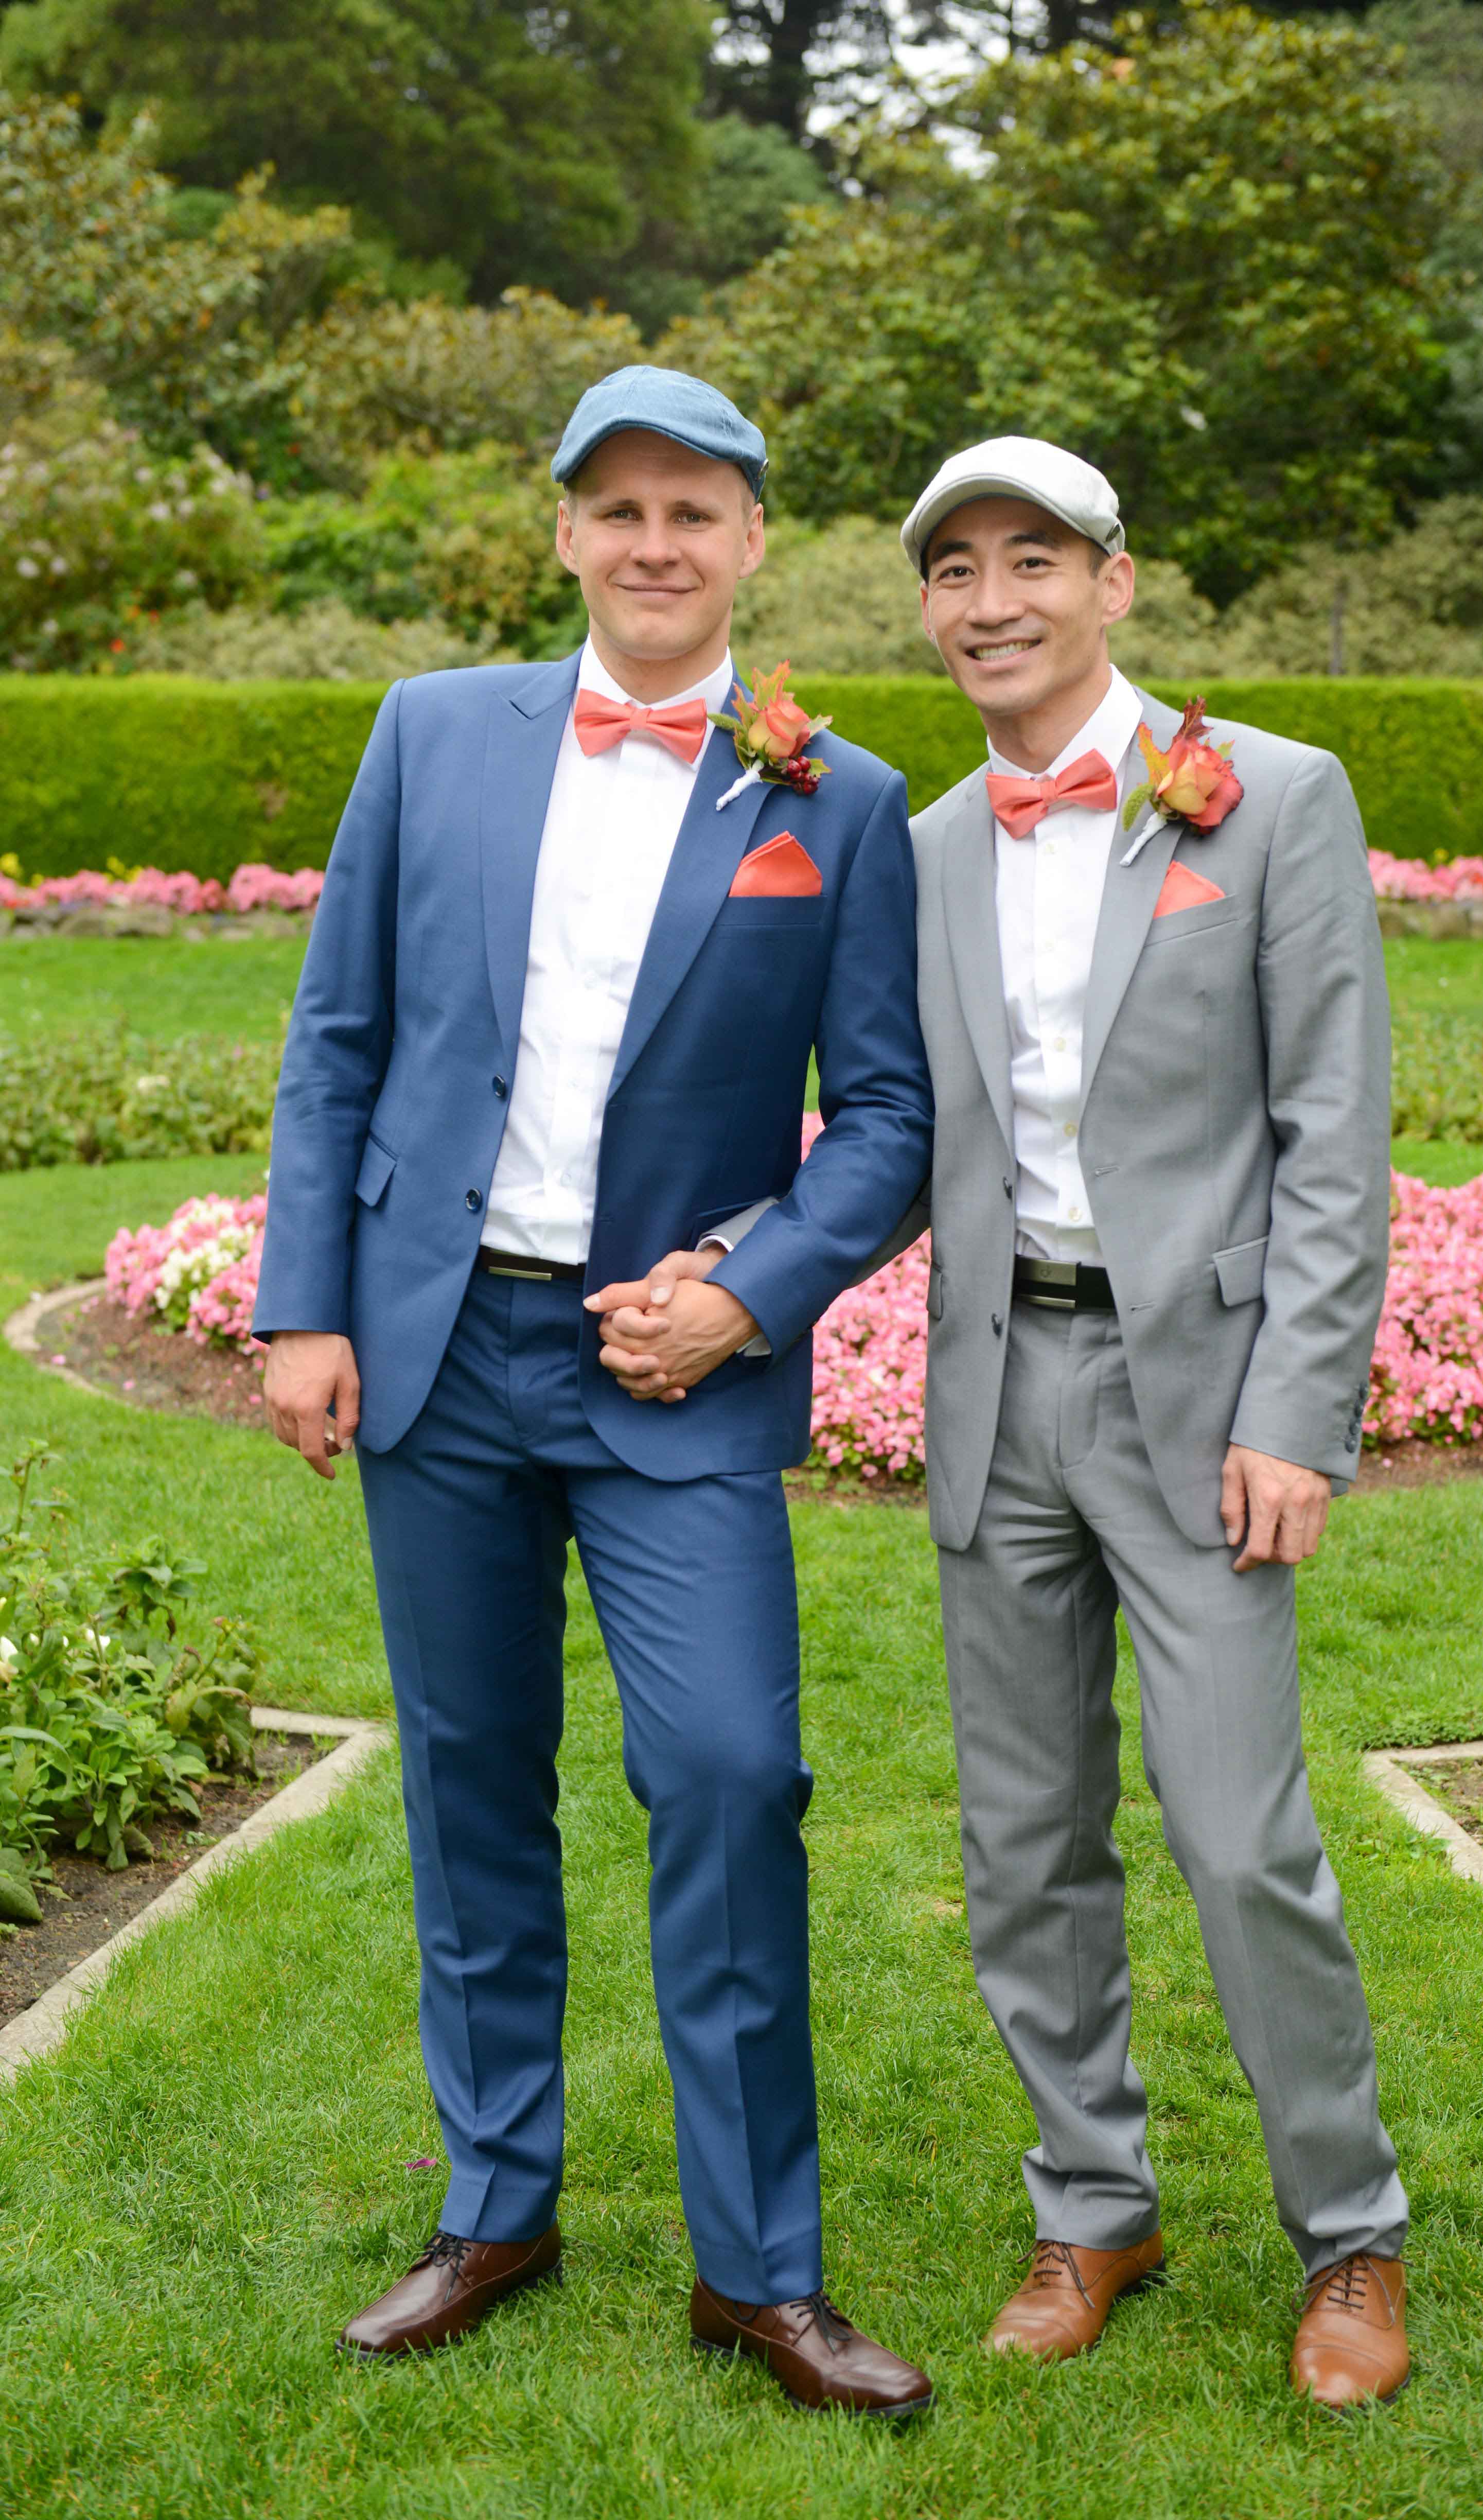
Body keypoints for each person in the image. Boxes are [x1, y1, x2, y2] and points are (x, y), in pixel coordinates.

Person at [595, 436, 1409, 2410]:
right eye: (952, 569)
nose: (988, 601)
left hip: (1205, 1400)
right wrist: (727, 1256)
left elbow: (1333, 1136)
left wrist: (1298, 1412)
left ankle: (1351, 2237)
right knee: (1023, 1838)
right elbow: (884, 1129)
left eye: (1030, 560)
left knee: (1236, 1837)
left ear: (1115, 584)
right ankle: (1092, 2204)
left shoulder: (1270, 798)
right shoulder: (926, 836)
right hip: (997, 1388)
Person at [253, 366, 937, 2414]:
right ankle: (497, 2207)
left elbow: (890, 1117)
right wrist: (308, 1304)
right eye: (618, 509)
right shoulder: (432, 731)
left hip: (671, 1375)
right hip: (445, 1344)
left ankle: (762, 2271)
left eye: (696, 513)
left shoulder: (840, 797)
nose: (655, 544)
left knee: (729, 1776)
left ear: (751, 547)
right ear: (561, 530)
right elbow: (337, 1036)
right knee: (474, 1787)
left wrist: (752, 1296)